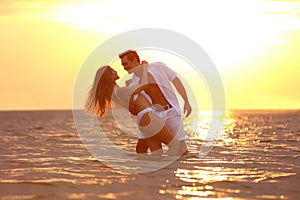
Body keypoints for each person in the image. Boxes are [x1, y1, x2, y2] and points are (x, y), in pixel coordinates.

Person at [85, 65, 181, 155]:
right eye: (113, 71)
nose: (116, 71)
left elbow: (133, 104)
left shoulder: (117, 91)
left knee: (156, 153)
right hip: (147, 117)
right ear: (110, 76)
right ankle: (168, 170)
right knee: (175, 146)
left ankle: (153, 172)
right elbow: (144, 85)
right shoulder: (119, 91)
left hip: (144, 118)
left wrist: (130, 85)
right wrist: (144, 69)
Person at [119, 50, 192, 154]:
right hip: (153, 117)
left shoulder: (158, 67)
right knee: (141, 148)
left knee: (182, 149)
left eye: (125, 64)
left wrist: (186, 101)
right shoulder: (133, 83)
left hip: (171, 111)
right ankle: (153, 167)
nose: (124, 68)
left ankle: (171, 167)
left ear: (135, 60)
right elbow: (134, 104)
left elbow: (176, 81)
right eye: (123, 65)